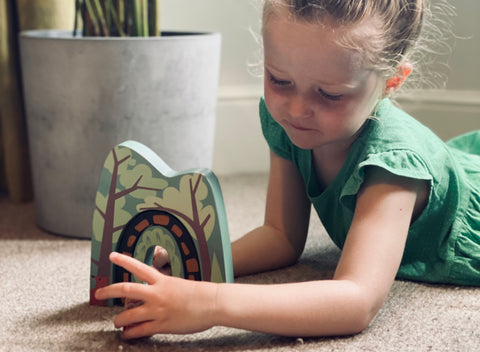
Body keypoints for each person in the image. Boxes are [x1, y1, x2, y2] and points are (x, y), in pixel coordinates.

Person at [95, 0, 480, 339]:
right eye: (279, 80)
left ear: (392, 81)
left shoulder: (394, 167)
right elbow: (280, 236)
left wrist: (210, 303)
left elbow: (356, 300)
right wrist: (192, 260)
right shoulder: (288, 124)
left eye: (330, 94)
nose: (296, 109)